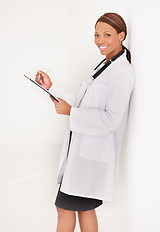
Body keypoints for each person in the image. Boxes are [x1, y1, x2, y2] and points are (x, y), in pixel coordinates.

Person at [35, 12, 135, 232]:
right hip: (84, 157)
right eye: (97, 35)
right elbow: (85, 104)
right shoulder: (106, 65)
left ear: (121, 35)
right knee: (83, 210)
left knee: (66, 209)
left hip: (90, 160)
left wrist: (71, 112)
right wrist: (51, 88)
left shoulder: (121, 73)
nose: (100, 41)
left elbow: (111, 120)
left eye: (107, 35)